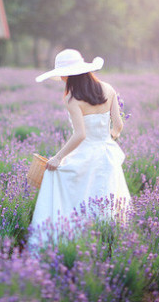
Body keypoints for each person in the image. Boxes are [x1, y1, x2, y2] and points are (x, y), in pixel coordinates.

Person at [27, 49, 131, 251]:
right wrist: (107, 138)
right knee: (106, 199)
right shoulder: (108, 89)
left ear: (69, 74)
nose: (62, 77)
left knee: (66, 188)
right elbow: (118, 125)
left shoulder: (72, 99)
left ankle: (72, 242)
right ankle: (107, 244)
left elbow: (80, 135)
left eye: (63, 73)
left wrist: (57, 158)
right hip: (107, 153)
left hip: (85, 155)